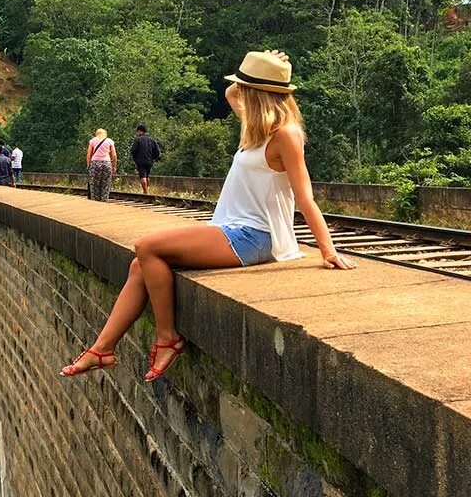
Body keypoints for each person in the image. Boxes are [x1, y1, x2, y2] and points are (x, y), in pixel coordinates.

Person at [60, 50, 356, 382]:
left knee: (147, 246)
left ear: (256, 94)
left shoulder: (284, 135)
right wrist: (262, 63)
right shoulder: (257, 127)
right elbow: (230, 92)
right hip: (233, 230)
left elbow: (305, 197)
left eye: (245, 87)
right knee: (138, 264)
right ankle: (102, 349)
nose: (238, 93)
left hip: (254, 236)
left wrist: (328, 251)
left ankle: (167, 337)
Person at [86, 129, 117, 201]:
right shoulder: (109, 141)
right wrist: (114, 166)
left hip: (95, 163)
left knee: (94, 184)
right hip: (107, 163)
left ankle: (95, 201)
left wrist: (88, 165)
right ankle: (104, 200)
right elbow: (114, 155)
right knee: (106, 184)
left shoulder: (93, 140)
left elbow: (88, 154)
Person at [131, 125, 161, 195]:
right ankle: (147, 190)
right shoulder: (152, 140)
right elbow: (158, 152)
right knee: (147, 176)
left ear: (139, 131)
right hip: (149, 161)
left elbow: (133, 151)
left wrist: (135, 160)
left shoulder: (137, 140)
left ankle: (145, 192)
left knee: (142, 176)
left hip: (140, 161)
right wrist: (153, 158)